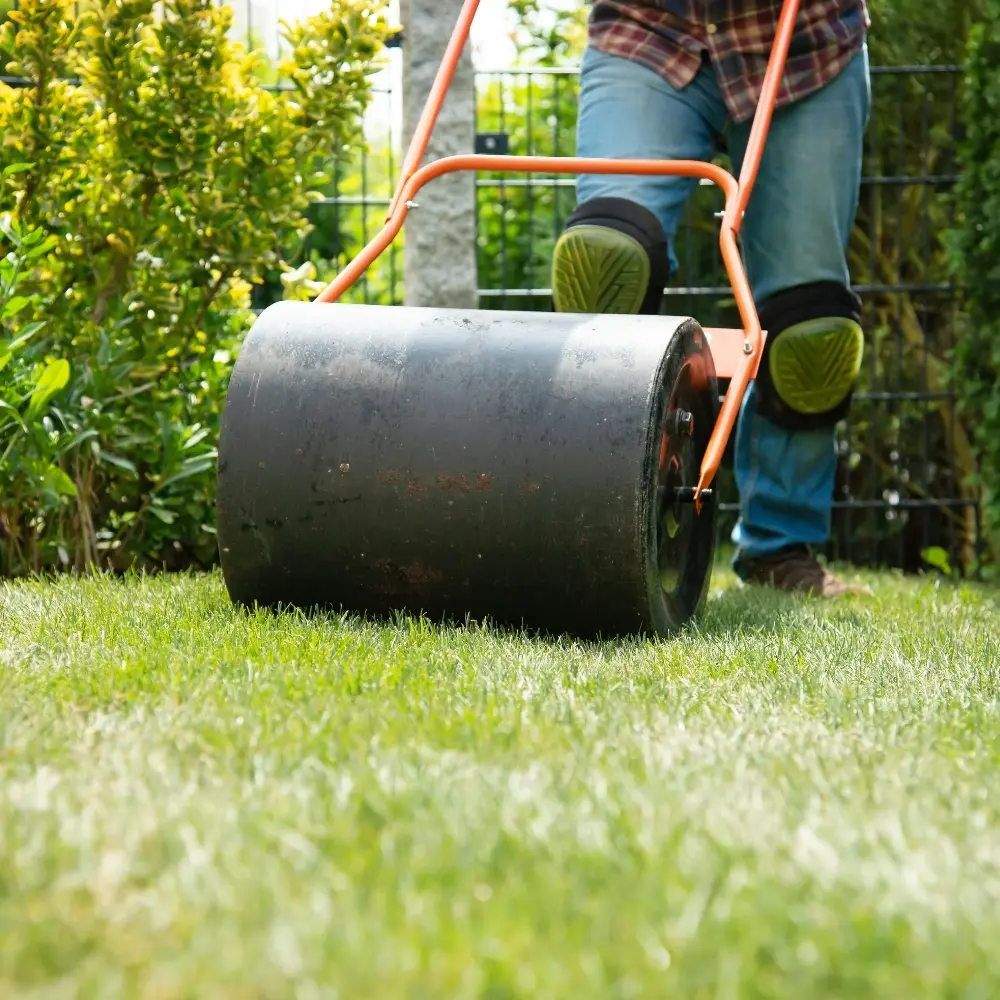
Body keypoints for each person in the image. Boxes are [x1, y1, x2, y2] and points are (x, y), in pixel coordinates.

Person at [551, 0, 872, 597]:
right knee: (606, 260)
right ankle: (587, 516)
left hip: (805, 44)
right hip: (649, 30)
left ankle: (780, 549)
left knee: (812, 328)